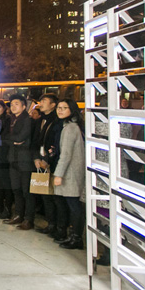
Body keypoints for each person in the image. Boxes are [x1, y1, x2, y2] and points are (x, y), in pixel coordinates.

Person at [51, 99, 85, 250]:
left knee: (73, 205)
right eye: (59, 108)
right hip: (70, 171)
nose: (60, 110)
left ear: (72, 110)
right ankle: (72, 236)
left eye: (64, 108)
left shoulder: (70, 127)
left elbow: (66, 154)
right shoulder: (69, 126)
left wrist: (58, 174)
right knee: (71, 205)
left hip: (70, 172)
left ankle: (76, 237)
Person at [33, 94, 65, 237]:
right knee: (45, 195)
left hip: (52, 162)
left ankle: (59, 227)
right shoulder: (41, 120)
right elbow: (35, 141)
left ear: (53, 105)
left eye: (44, 101)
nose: (41, 103)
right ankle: (50, 223)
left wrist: (47, 159)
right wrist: (36, 158)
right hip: (40, 161)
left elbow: (56, 144)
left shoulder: (57, 122)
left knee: (54, 197)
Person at [4, 94, 34, 230]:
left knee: (26, 191)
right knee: (16, 189)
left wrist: (13, 140)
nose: (13, 106)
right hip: (13, 158)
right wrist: (13, 140)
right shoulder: (12, 120)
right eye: (11, 104)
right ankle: (18, 215)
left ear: (23, 106)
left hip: (25, 159)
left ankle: (28, 219)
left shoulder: (27, 120)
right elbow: (6, 138)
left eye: (16, 104)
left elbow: (22, 137)